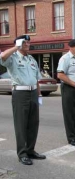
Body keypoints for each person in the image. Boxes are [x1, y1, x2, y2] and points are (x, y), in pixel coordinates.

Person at [0, 35, 45, 165]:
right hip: (20, 93)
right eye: (24, 42)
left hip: (33, 93)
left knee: (33, 123)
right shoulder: (12, 58)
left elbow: (36, 79)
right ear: (18, 44)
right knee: (21, 124)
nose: (28, 44)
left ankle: (31, 150)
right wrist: (16, 47)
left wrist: (39, 95)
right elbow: (2, 57)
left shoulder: (31, 59)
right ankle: (22, 153)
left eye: (28, 42)